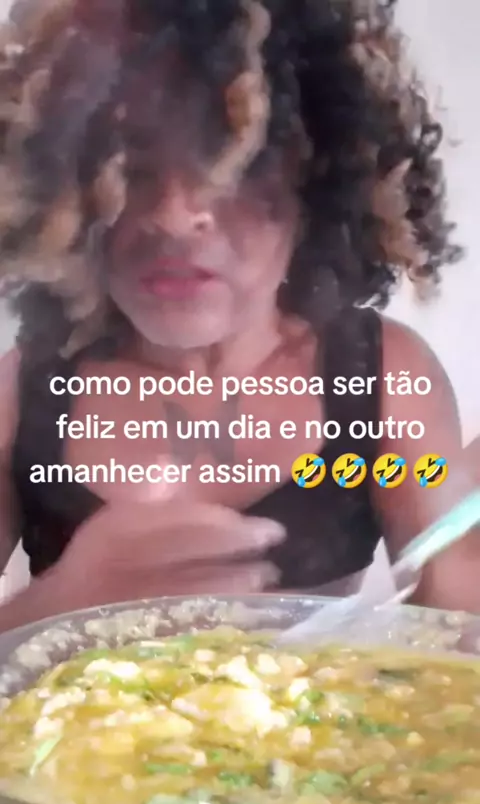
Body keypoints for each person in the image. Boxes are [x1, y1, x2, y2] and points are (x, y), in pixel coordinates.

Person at [0, 0, 476, 634]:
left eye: (234, 165)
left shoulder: (384, 375)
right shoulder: (23, 391)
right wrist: (60, 602)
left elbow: (456, 630)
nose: (176, 217)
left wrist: (469, 559)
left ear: (319, 186)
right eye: (133, 170)